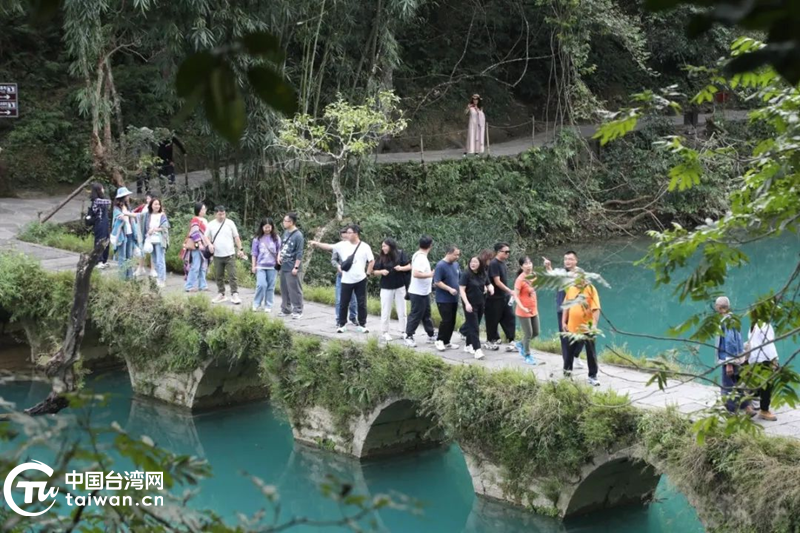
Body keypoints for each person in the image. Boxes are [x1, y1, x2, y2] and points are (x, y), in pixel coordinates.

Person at [310, 224, 375, 333]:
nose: (347, 235)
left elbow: (371, 261)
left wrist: (367, 274)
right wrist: (317, 244)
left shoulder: (365, 246)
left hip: (360, 279)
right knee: (343, 303)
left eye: (349, 233)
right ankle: (342, 324)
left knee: (361, 303)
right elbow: (329, 246)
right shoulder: (342, 245)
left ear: (356, 233)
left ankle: (362, 325)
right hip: (346, 279)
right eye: (347, 233)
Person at [715, 296, 755, 415]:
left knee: (727, 387)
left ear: (719, 307)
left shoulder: (726, 321)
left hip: (729, 359)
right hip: (738, 358)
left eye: (716, 306)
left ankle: (732, 413)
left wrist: (729, 363)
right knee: (736, 384)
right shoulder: (734, 319)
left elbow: (730, 342)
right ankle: (747, 407)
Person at [544, 251, 584, 369]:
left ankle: (575, 355)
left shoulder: (580, 272)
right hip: (562, 309)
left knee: (581, 336)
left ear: (576, 261)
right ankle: (567, 364)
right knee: (565, 337)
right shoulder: (560, 272)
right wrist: (548, 267)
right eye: (566, 259)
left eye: (571, 259)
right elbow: (552, 276)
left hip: (577, 309)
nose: (568, 261)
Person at [562, 269, 601, 386]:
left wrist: (594, 325)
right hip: (572, 327)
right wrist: (564, 321)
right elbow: (566, 306)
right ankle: (567, 374)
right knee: (569, 352)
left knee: (591, 352)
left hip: (587, 328)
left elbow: (596, 308)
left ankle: (592, 376)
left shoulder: (590, 289)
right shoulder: (571, 289)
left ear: (583, 278)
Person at [205, 206, 246, 305]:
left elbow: (236, 237)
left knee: (232, 275)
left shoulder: (230, 223)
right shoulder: (211, 225)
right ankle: (221, 293)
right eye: (220, 214)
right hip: (217, 254)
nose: (222, 216)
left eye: (223, 214)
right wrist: (209, 244)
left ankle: (234, 294)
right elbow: (206, 236)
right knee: (219, 275)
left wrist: (240, 249)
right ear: (215, 214)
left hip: (229, 254)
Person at [372, 238, 411, 341]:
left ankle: (404, 331)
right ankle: (385, 332)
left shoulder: (400, 254)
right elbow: (374, 271)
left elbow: (410, 266)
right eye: (382, 246)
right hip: (386, 287)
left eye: (385, 246)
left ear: (390, 246)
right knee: (385, 310)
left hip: (400, 285)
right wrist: (381, 272)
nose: (383, 248)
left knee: (402, 310)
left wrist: (401, 268)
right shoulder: (381, 257)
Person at [404, 236, 436, 347]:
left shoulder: (419, 255)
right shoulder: (421, 258)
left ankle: (431, 334)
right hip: (417, 292)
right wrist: (430, 274)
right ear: (430, 246)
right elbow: (416, 273)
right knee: (416, 314)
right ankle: (408, 336)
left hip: (424, 291)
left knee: (426, 314)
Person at [459, 255, 494, 360]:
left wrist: (491, 288)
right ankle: (477, 350)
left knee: (474, 324)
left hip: (481, 303)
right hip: (470, 304)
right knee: (474, 327)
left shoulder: (483, 274)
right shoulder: (466, 274)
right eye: (471, 262)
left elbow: (489, 284)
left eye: (475, 262)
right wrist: (467, 303)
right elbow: (461, 290)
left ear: (480, 264)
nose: (473, 264)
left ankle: (468, 345)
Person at [746, 312, 779, 421]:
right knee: (766, 387)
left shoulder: (753, 325)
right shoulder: (765, 325)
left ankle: (746, 404)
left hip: (754, 359)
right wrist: (774, 359)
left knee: (756, 384)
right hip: (764, 359)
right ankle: (764, 410)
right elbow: (769, 343)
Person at [485, 243, 517, 352]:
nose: (508, 254)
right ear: (499, 251)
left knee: (509, 318)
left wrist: (508, 293)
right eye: (506, 252)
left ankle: (511, 340)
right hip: (495, 298)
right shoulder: (494, 263)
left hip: (504, 297)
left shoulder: (502, 263)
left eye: (509, 252)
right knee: (493, 320)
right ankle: (490, 340)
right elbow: (497, 282)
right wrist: (510, 291)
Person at [514, 256, 542, 365]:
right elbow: (516, 295)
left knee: (536, 332)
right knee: (528, 334)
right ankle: (527, 355)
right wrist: (522, 307)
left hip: (533, 309)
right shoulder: (520, 279)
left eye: (530, 263)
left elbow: (533, 288)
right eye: (526, 263)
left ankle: (520, 344)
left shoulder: (534, 275)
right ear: (521, 266)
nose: (529, 265)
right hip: (523, 311)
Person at [433, 246, 461, 352]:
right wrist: (449, 289)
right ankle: (439, 340)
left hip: (454, 298)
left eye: (458, 255)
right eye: (455, 254)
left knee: (452, 320)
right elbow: (437, 281)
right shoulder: (440, 265)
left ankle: (447, 341)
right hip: (443, 299)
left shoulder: (456, 265)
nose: (457, 257)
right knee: (446, 320)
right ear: (448, 253)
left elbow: (460, 278)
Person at [251, 218, 281, 312]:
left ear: (272, 227)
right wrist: (253, 266)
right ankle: (256, 303)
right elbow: (254, 253)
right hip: (260, 265)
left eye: (269, 227)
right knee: (261, 285)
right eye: (265, 227)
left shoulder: (276, 238)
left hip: (272, 266)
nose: (267, 229)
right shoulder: (257, 239)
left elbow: (279, 250)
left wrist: (278, 260)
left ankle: (268, 305)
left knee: (270, 286)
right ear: (262, 227)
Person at [278, 212, 305, 319]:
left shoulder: (298, 235)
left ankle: (298, 310)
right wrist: (278, 257)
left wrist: (296, 267)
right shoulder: (285, 233)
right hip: (284, 265)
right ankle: (286, 309)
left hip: (292, 266)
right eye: (284, 220)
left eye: (286, 221)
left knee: (295, 289)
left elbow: (299, 252)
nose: (284, 223)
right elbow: (282, 246)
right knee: (284, 289)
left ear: (292, 222)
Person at [331, 228, 358, 327]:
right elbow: (333, 260)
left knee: (353, 299)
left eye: (346, 235)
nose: (345, 237)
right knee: (339, 299)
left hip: (352, 276)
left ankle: (353, 317)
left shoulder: (355, 246)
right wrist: (338, 266)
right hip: (341, 276)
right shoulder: (337, 247)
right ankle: (339, 318)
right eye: (343, 236)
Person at [141, 197, 170, 288]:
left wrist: (154, 229)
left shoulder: (162, 215)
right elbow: (139, 217)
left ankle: (162, 279)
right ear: (151, 205)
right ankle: (158, 277)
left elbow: (165, 227)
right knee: (154, 260)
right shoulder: (148, 215)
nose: (157, 206)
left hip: (159, 240)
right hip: (151, 240)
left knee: (160, 260)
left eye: (158, 204)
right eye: (155, 204)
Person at [110, 187, 138, 280]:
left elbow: (131, 217)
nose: (128, 197)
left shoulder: (127, 207)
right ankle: (122, 278)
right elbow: (119, 218)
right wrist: (125, 214)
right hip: (122, 235)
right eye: (127, 195)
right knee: (122, 257)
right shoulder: (116, 208)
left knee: (129, 256)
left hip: (130, 233)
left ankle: (129, 277)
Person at [183, 202, 211, 292]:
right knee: (195, 266)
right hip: (197, 246)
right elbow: (195, 233)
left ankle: (202, 285)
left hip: (205, 246)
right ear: (199, 210)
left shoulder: (205, 220)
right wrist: (199, 244)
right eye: (203, 209)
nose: (204, 210)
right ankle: (189, 286)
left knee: (203, 266)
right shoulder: (195, 220)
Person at [87, 182, 111, 269]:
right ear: (98, 190)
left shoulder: (100, 200)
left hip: (105, 223)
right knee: (99, 241)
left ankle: (104, 260)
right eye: (102, 188)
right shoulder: (97, 201)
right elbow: (108, 202)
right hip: (99, 223)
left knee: (107, 240)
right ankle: (98, 260)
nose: (103, 190)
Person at [133, 192, 154, 278]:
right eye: (147, 198)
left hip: (152, 232)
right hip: (143, 231)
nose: (147, 200)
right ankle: (140, 267)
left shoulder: (156, 207)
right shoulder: (144, 207)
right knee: (142, 249)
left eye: (149, 198)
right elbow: (137, 214)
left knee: (153, 251)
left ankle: (153, 269)